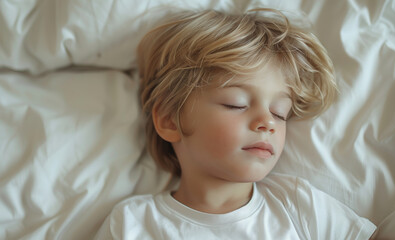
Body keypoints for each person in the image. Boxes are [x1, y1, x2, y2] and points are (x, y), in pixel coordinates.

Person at [95, 8, 377, 239]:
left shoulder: (297, 204)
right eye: (236, 104)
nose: (267, 122)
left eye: (280, 112)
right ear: (170, 120)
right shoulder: (132, 223)